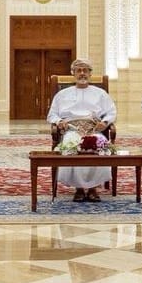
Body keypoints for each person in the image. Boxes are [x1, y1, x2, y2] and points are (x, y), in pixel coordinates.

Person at [46, 58, 116, 202]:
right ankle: (78, 188)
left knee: (100, 145)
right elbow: (52, 115)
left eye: (85, 70)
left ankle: (93, 188)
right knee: (71, 145)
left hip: (94, 130)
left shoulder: (100, 93)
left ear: (90, 74)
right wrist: (59, 122)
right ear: (73, 73)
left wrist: (105, 122)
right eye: (79, 70)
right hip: (72, 130)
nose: (82, 73)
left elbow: (111, 112)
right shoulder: (62, 94)